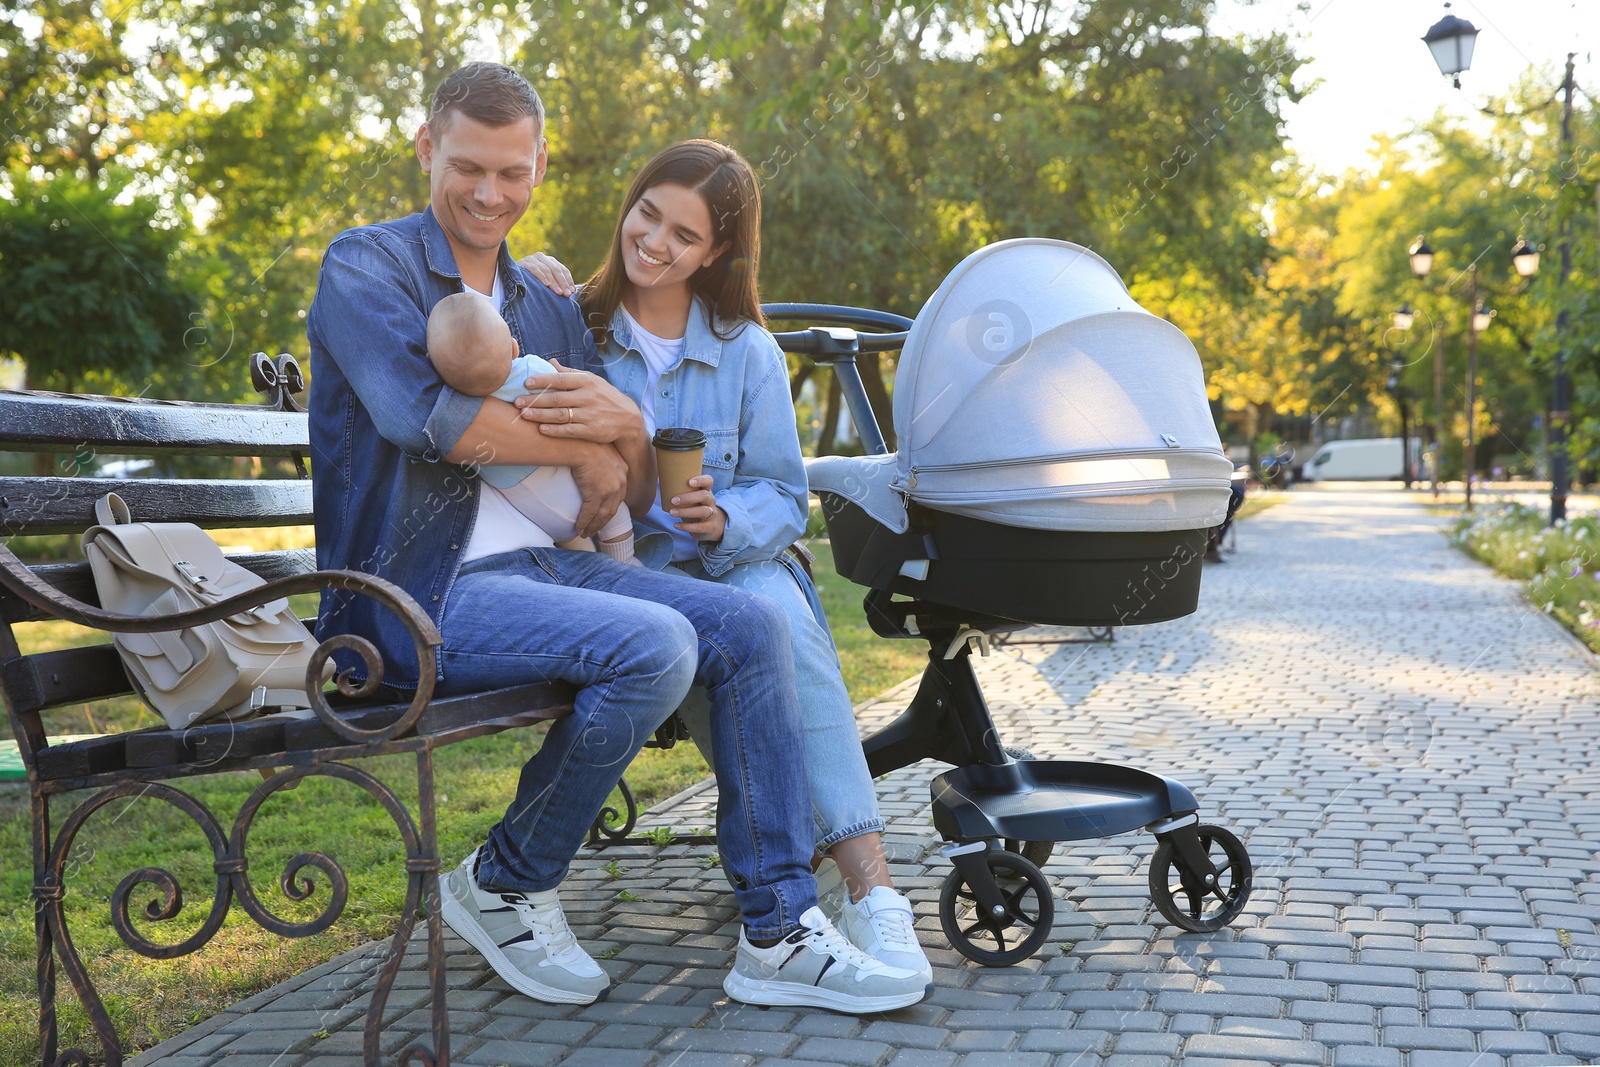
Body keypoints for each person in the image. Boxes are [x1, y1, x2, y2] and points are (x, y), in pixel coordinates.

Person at [307, 61, 928, 1013]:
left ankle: (777, 929)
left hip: (548, 569)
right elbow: (427, 420)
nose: (488, 192)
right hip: (408, 597)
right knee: (658, 642)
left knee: (749, 626)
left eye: (512, 172)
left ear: (541, 167)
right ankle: (507, 874)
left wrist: (624, 438)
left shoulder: (547, 300)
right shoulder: (368, 265)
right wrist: (587, 441)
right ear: (427, 148)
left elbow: (621, 476)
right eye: (467, 166)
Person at [519, 139, 931, 982]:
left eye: (685, 234)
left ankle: (872, 892)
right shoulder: (572, 321)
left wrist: (722, 516)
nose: (655, 242)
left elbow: (785, 496)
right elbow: (483, 339)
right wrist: (521, 276)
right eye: (647, 213)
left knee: (768, 612)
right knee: (734, 631)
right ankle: (787, 900)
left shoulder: (748, 352)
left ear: (716, 252)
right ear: (627, 206)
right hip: (623, 576)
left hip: (729, 561)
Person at [426, 291, 639, 563]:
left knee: (575, 542)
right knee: (615, 514)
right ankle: (625, 565)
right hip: (569, 491)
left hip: (526, 507)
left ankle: (598, 569)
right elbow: (584, 401)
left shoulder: (461, 403)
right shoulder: (530, 374)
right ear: (513, 347)